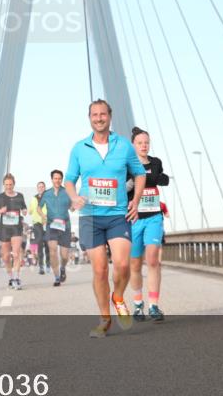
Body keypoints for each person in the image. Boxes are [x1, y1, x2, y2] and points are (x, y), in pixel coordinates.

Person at [64, 99, 145, 337]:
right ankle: (104, 319)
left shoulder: (124, 146)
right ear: (89, 118)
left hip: (118, 214)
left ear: (110, 116)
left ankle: (118, 296)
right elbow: (70, 178)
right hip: (90, 216)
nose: (98, 118)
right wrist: (74, 196)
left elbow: (139, 175)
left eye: (102, 114)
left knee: (121, 264)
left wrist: (136, 200)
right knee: (99, 270)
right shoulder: (80, 148)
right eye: (94, 115)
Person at [125, 127, 170, 322]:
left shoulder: (156, 162)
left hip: (153, 217)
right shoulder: (127, 165)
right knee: (135, 264)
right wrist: (133, 183)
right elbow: (122, 188)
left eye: (146, 142)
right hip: (134, 219)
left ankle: (153, 305)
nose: (144, 146)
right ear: (133, 145)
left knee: (152, 260)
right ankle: (137, 304)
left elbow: (164, 179)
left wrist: (157, 178)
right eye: (140, 143)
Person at [0, 173, 28, 290]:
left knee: (17, 253)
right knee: (6, 257)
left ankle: (17, 278)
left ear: (14, 184)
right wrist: (0, 211)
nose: (8, 186)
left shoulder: (20, 196)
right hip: (4, 229)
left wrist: (24, 211)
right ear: (4, 185)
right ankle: (10, 277)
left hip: (16, 228)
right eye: (6, 184)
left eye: (10, 184)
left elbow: (24, 207)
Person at [39, 169, 73, 287]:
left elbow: (72, 206)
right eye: (55, 178)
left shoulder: (67, 192)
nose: (57, 180)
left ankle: (63, 267)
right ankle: (57, 277)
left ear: (61, 179)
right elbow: (39, 207)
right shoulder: (46, 193)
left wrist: (74, 206)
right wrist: (43, 215)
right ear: (52, 179)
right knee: (53, 251)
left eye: (59, 178)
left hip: (65, 225)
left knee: (64, 255)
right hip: (51, 225)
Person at [28, 181, 48, 274]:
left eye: (42, 187)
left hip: (47, 222)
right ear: (37, 188)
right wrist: (28, 210)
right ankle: (41, 266)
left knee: (48, 244)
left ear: (45, 188)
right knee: (39, 243)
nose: (41, 188)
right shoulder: (33, 198)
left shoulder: (49, 197)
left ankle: (48, 264)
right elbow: (30, 210)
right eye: (39, 187)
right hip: (37, 223)